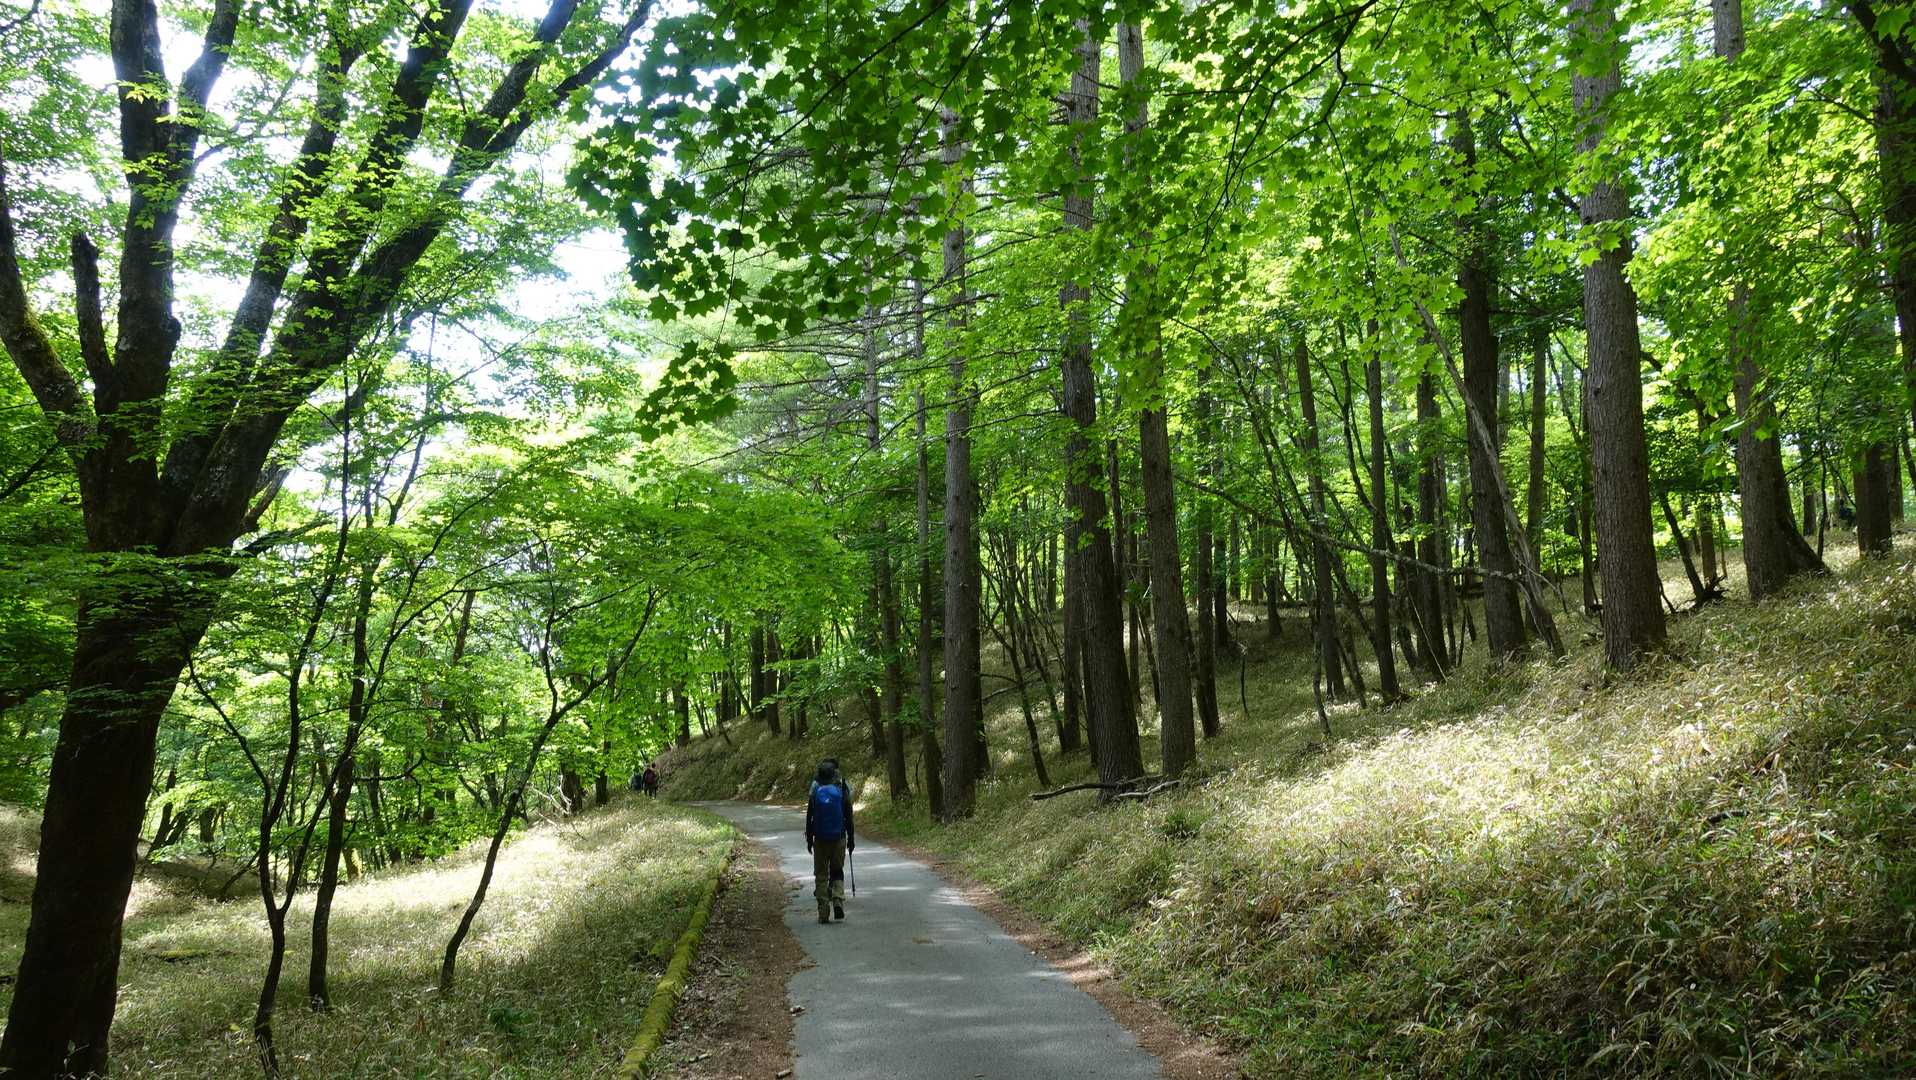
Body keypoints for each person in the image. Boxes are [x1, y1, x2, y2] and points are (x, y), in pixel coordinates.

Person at [804, 759, 854, 923]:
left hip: (820, 839)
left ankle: (823, 912)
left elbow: (809, 817)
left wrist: (809, 839)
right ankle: (838, 899)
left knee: (821, 875)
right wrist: (851, 839)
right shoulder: (841, 789)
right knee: (837, 870)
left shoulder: (815, 791)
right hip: (838, 838)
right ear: (834, 775)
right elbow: (849, 816)